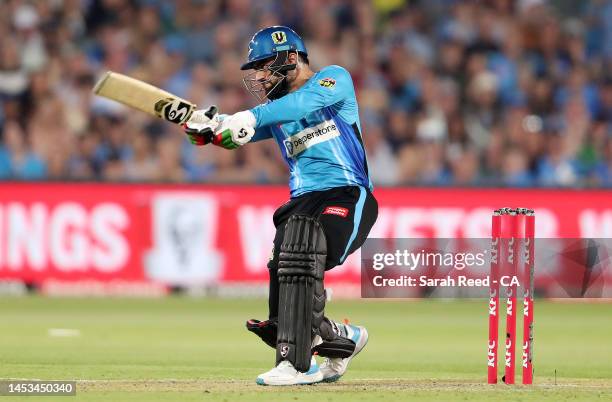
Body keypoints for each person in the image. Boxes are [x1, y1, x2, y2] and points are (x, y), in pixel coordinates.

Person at [184, 26, 378, 386]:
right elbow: (233, 135)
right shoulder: (273, 111)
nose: (258, 75)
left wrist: (249, 118)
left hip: (346, 195)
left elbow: (303, 104)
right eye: (254, 69)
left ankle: (299, 365)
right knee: (289, 271)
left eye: (264, 66)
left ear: (291, 58)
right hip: (300, 203)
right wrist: (209, 127)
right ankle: (341, 337)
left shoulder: (333, 80)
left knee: (304, 257)